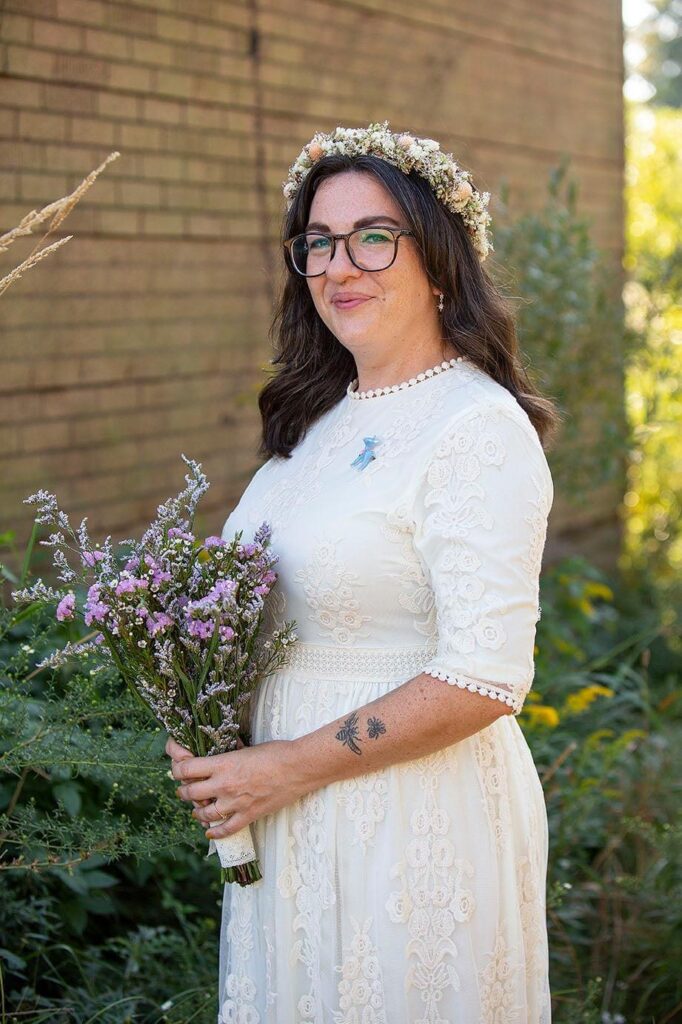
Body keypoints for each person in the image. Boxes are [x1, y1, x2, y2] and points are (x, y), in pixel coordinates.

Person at [167, 120, 560, 1023]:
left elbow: (486, 675)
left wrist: (286, 767)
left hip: (413, 819)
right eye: (317, 242)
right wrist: (202, 715)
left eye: (374, 237)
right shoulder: (312, 424)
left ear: (438, 259)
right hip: (290, 814)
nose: (340, 265)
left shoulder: (473, 427)